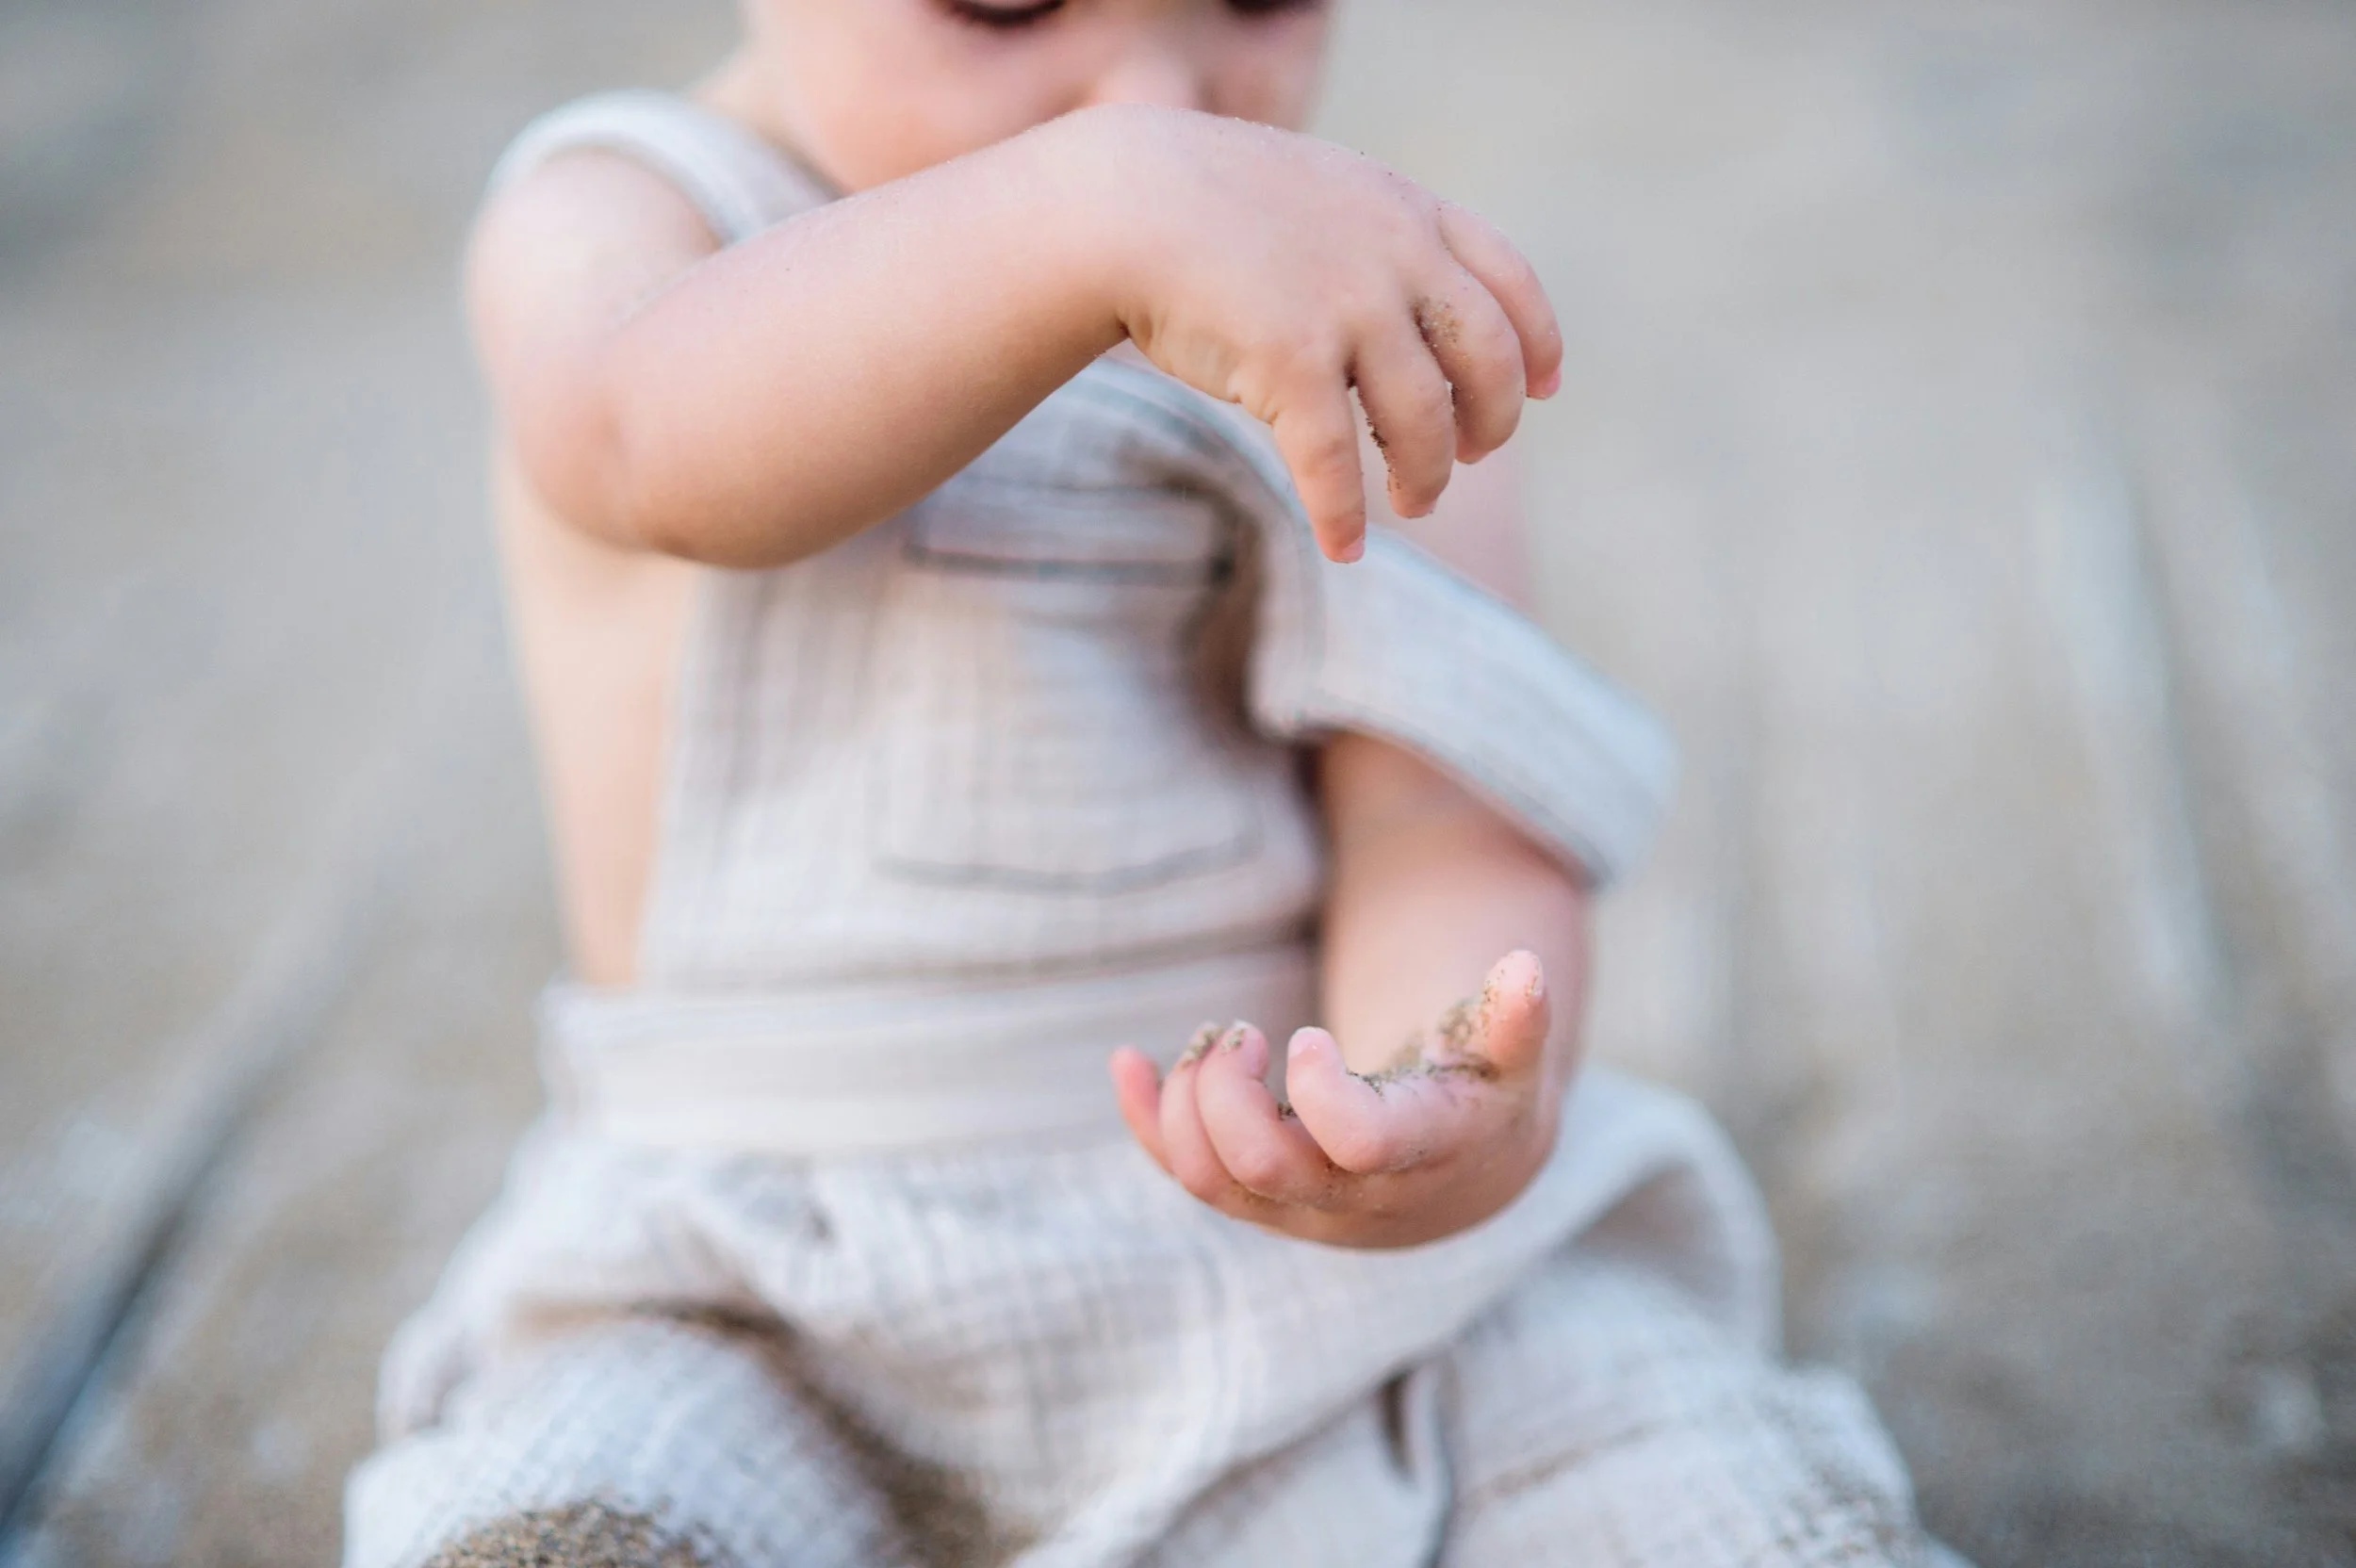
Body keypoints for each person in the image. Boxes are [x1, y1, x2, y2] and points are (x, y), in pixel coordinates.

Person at [343, 1, 1948, 1563]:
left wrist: (1432, 1083)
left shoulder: (1348, 308)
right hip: (755, 1286)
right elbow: (642, 439)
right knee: (589, 1497)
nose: (1154, 97)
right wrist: (1094, 212)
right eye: (1008, 3)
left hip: (1300, 1280)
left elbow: (1433, 807)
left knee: (1670, 1456)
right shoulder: (627, 221)